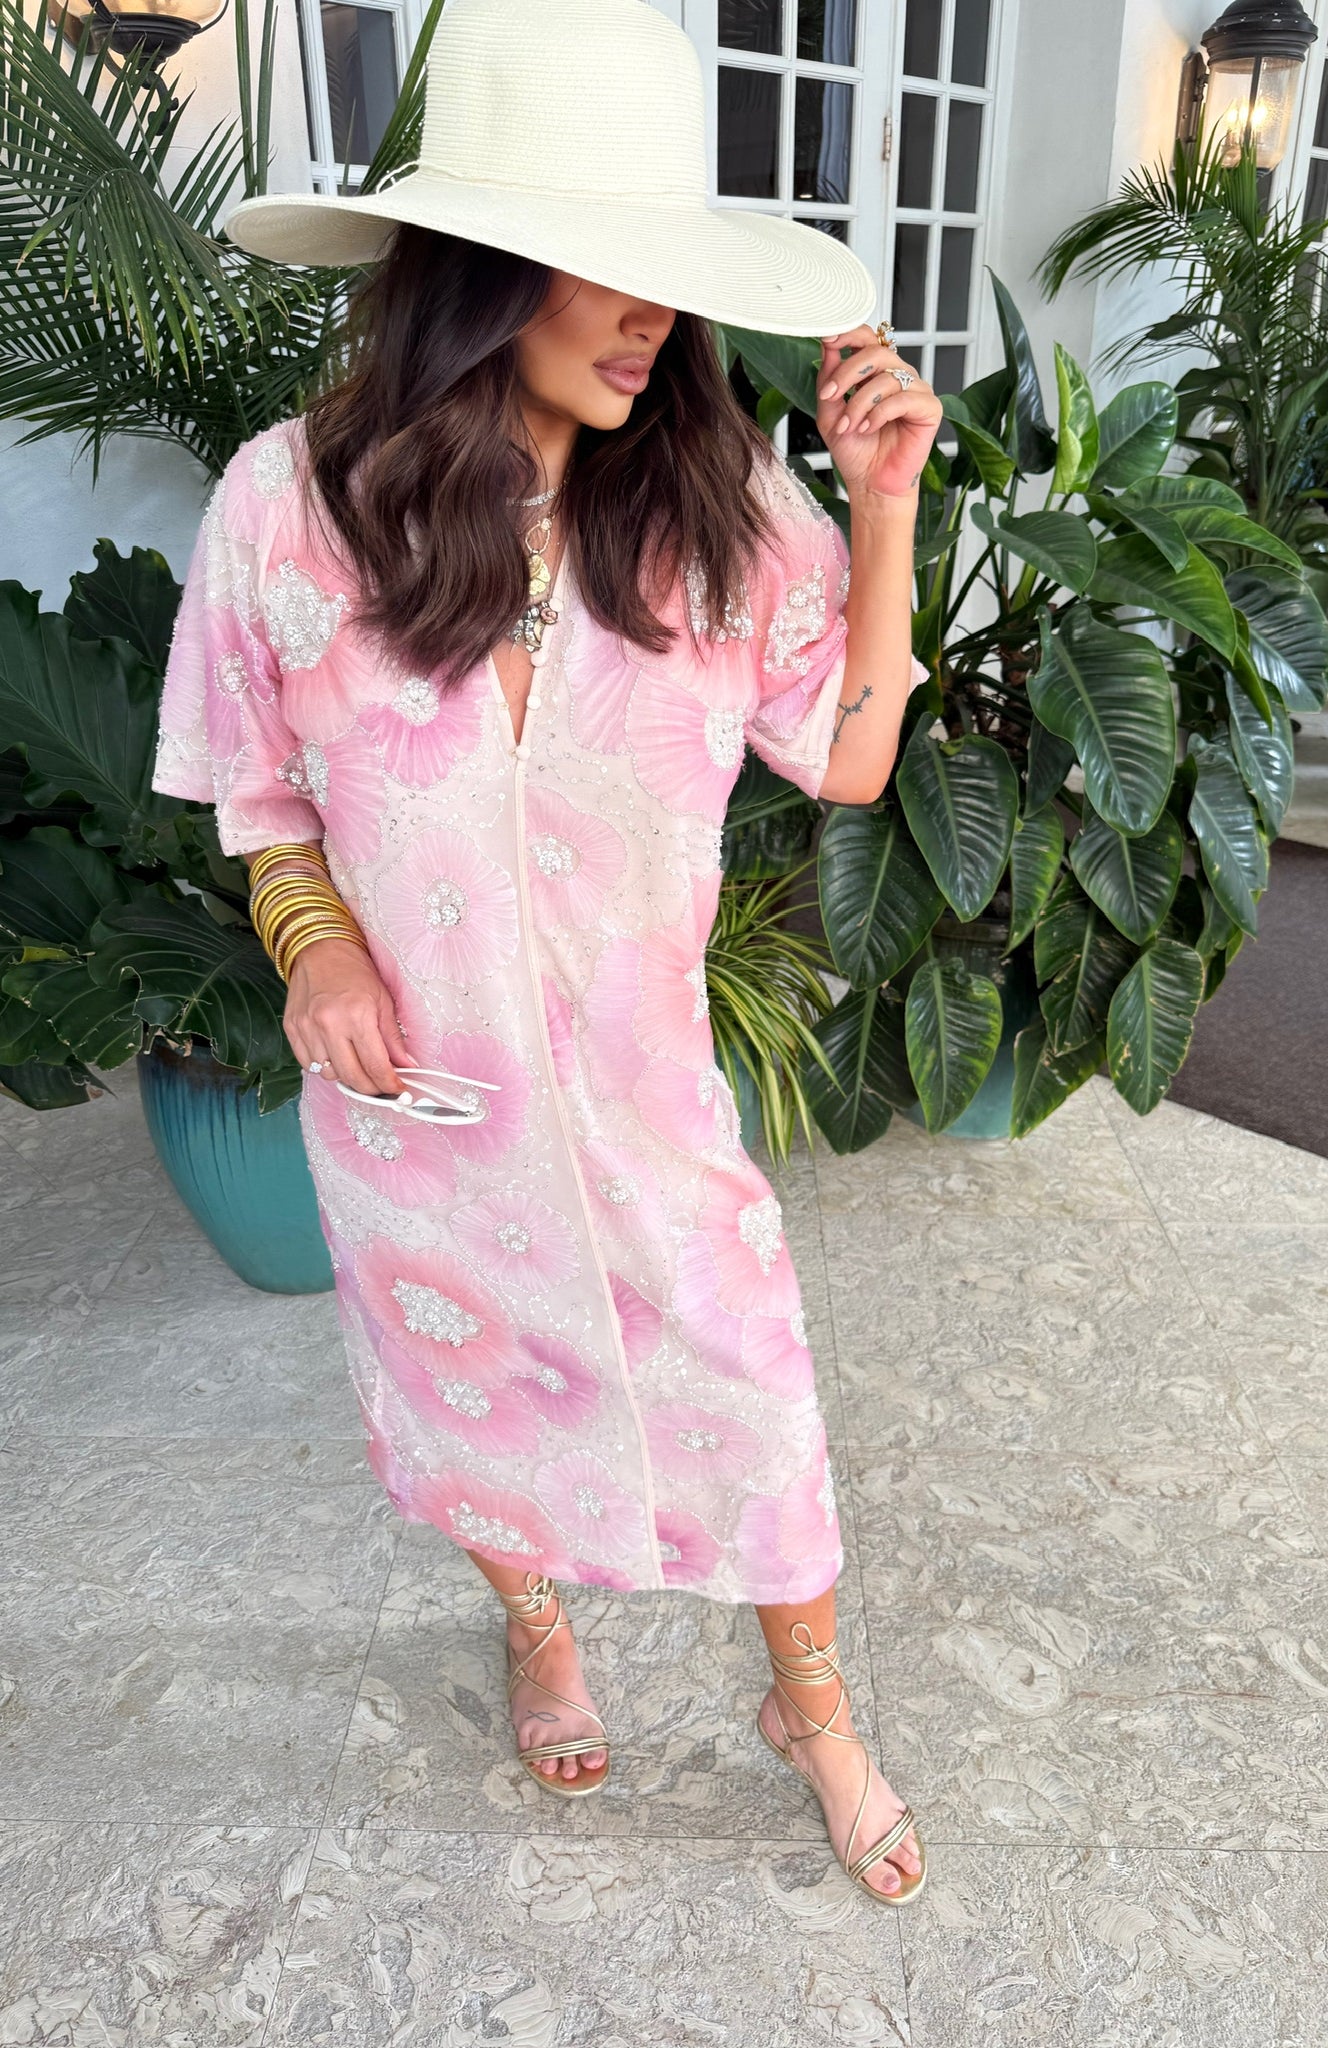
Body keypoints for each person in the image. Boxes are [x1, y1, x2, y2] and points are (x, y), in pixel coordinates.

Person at [152, 0, 942, 1906]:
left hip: (648, 1107)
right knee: (470, 1399)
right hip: (427, 1108)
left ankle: (813, 1711)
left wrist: (885, 506)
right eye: (608, 263)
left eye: (671, 272)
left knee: (753, 1391)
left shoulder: (717, 509)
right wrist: (314, 948)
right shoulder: (292, 507)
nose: (654, 314)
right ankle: (538, 1627)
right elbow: (256, 788)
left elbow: (847, 761)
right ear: (480, 268)